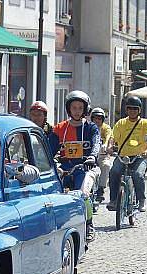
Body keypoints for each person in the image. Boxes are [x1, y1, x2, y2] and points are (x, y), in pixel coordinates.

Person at [49, 90, 101, 241]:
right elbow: (49, 149)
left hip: (85, 167)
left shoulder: (91, 128)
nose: (77, 111)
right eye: (74, 108)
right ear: (68, 109)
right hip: (64, 167)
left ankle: (89, 224)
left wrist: (92, 157)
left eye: (80, 108)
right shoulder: (60, 128)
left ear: (85, 109)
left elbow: (96, 143)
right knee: (52, 192)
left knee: (84, 193)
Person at [107, 96, 147, 212]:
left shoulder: (144, 123)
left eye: (135, 108)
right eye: (130, 108)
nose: (132, 111)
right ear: (126, 110)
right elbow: (113, 137)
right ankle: (113, 200)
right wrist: (109, 146)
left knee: (138, 175)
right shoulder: (121, 123)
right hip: (123, 156)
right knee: (114, 172)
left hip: (139, 157)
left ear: (139, 110)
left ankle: (141, 200)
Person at [90, 107, 113, 202]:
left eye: (99, 118)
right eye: (95, 118)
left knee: (106, 165)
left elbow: (109, 136)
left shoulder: (105, 127)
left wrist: (105, 144)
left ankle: (101, 188)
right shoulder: (89, 127)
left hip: (102, 154)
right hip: (90, 155)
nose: (97, 120)